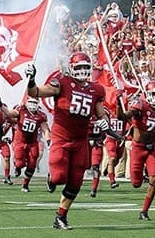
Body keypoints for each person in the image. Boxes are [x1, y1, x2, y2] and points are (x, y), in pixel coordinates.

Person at [24, 52, 109, 230]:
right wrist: (31, 79)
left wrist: (104, 122)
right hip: (61, 137)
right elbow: (36, 93)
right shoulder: (62, 83)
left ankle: (60, 216)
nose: (83, 71)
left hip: (80, 140)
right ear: (71, 68)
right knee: (58, 177)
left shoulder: (97, 89)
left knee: (76, 181)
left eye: (86, 67)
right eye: (79, 67)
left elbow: (100, 113)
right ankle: (51, 179)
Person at [116, 81, 155, 220]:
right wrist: (118, 102)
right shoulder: (140, 106)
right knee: (136, 184)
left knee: (154, 179)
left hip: (152, 147)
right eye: (154, 94)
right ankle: (142, 175)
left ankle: (144, 211)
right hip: (138, 147)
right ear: (148, 94)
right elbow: (122, 117)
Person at [0, 97, 50, 193]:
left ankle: (25, 185)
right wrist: (1, 105)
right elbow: (9, 113)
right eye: (30, 102)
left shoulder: (40, 115)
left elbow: (46, 129)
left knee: (32, 164)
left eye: (34, 102)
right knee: (20, 163)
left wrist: (48, 139)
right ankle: (18, 167)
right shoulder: (21, 110)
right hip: (20, 141)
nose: (32, 104)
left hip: (32, 143)